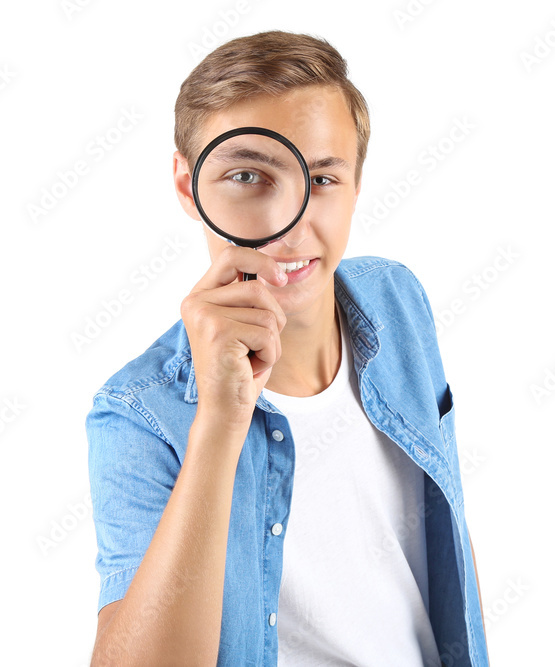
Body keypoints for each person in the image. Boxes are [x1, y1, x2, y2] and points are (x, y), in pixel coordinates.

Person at [86, 30, 490, 666]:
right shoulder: (139, 413)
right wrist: (220, 420)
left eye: (322, 178)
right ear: (190, 189)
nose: (287, 224)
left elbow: (443, 542)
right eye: (247, 176)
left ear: (356, 184)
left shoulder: (398, 301)